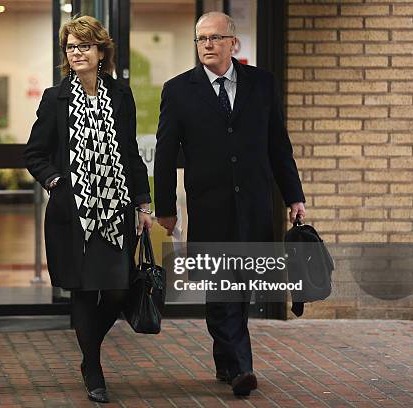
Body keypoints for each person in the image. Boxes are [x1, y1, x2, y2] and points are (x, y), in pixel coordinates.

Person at [154, 12, 305, 397]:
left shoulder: (263, 84)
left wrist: (294, 197)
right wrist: (166, 208)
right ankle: (241, 368)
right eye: (200, 39)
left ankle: (226, 358)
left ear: (232, 43)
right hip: (209, 207)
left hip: (256, 205)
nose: (206, 45)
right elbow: (167, 155)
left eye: (215, 38)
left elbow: (278, 146)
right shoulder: (178, 90)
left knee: (241, 286)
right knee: (222, 287)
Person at [24, 15, 152, 404]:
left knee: (116, 290)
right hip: (73, 215)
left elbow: (130, 153)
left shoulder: (121, 95)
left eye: (85, 46)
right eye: (71, 47)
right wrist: (57, 183)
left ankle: (87, 353)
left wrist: (143, 203)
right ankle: (93, 368)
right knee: (83, 292)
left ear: (101, 52)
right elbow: (34, 153)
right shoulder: (55, 97)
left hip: (115, 210)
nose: (77, 52)